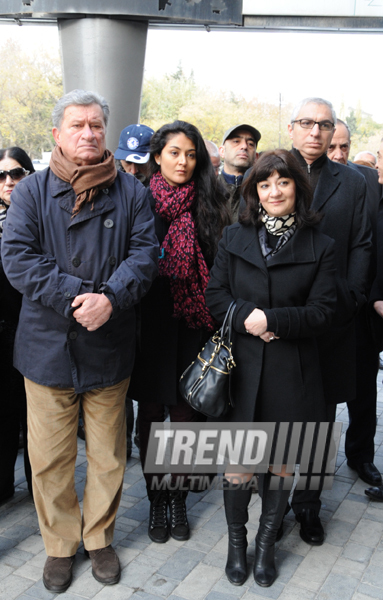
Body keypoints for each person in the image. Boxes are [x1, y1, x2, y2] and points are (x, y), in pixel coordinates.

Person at [1, 89, 158, 593]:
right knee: (49, 459)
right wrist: (78, 296)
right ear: (57, 135)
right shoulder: (31, 192)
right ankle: (60, 546)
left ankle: (100, 539)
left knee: (109, 455)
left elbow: (145, 255)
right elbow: (19, 259)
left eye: (96, 125)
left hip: (109, 344)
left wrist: (110, 298)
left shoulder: (133, 193)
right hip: (46, 347)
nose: (88, 133)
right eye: (77, 125)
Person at [205, 149, 336, 587]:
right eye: (264, 184)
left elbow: (323, 312)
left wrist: (274, 320)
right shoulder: (233, 237)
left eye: (282, 182)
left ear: (297, 186)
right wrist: (247, 317)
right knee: (239, 467)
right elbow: (215, 295)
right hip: (241, 369)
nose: (273, 191)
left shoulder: (322, 245)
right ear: (254, 191)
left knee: (281, 465)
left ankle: (265, 546)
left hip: (292, 372)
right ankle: (237, 545)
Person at [129, 120, 231, 545]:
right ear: (157, 156)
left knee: (187, 419)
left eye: (191, 154)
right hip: (148, 328)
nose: (183, 162)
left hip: (194, 326)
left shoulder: (213, 203)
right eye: (174, 153)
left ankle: (177, 498)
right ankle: (156, 497)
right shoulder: (136, 202)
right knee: (151, 417)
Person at [285, 97, 371, 545]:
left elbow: (362, 243)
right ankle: (277, 502)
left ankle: (309, 505)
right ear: (291, 127)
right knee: (279, 417)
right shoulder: (272, 170)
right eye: (307, 123)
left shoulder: (352, 181)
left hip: (333, 319)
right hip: (280, 319)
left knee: (319, 419)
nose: (315, 132)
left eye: (324, 124)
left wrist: (352, 296)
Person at [327, 120, 383, 487]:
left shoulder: (365, 181)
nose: (338, 154)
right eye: (333, 147)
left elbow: (373, 245)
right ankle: (305, 475)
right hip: (316, 309)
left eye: (344, 147)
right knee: (318, 398)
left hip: (359, 307)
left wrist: (368, 293)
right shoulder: (295, 179)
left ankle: (360, 456)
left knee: (363, 388)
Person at [114, 123, 154, 457]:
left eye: (140, 161)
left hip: (155, 305)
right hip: (120, 301)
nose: (132, 169)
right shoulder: (114, 192)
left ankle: (145, 435)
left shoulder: (161, 195)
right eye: (126, 161)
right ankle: (124, 440)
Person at [0, 146, 34, 504]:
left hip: (36, 332)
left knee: (37, 422)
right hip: (2, 335)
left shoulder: (40, 218)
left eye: (17, 172)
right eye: (2, 175)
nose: (9, 181)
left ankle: (40, 489)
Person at [218, 124, 261, 221]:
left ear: (256, 157)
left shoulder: (263, 192)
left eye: (250, 143)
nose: (244, 146)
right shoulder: (208, 189)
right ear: (222, 151)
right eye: (236, 141)